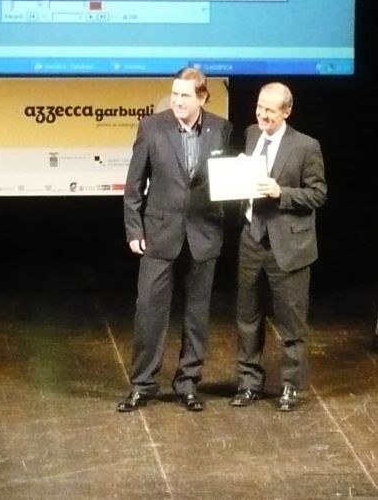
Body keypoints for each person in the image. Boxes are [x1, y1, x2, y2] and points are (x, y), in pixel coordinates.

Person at [116, 67, 234, 412]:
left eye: (185, 95)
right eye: (175, 94)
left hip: (203, 234)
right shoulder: (152, 127)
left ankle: (188, 383)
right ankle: (143, 384)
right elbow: (134, 186)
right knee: (149, 312)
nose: (178, 101)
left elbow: (224, 182)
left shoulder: (220, 129)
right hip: (159, 234)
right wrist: (135, 230)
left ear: (202, 97)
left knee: (196, 315)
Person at [230, 82, 327, 412]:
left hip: (289, 245)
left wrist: (281, 192)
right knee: (247, 317)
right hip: (251, 239)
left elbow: (318, 194)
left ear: (287, 111)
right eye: (260, 107)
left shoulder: (306, 146)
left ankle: (291, 386)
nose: (262, 115)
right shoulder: (251, 135)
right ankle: (248, 382)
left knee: (291, 322)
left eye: (270, 110)